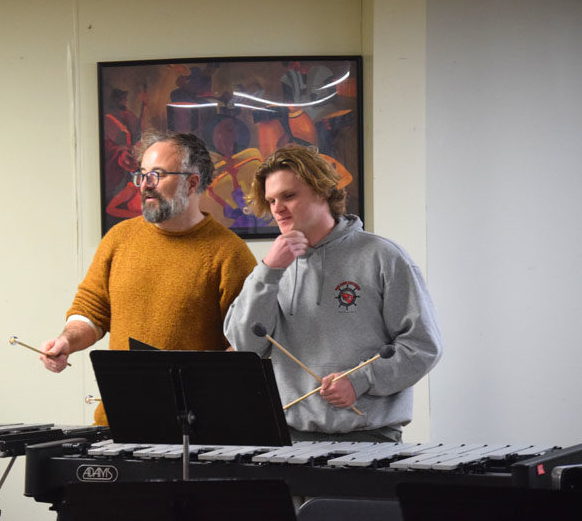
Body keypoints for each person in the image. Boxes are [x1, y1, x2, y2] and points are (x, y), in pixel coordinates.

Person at [224, 145, 442, 443]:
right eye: (272, 200)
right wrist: (268, 272)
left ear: (322, 191)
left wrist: (362, 380)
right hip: (288, 438)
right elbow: (245, 346)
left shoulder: (383, 256)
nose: (277, 208)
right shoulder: (271, 267)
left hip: (371, 438)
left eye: (289, 196)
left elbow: (423, 345)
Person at [41, 131, 257, 426]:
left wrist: (198, 390)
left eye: (156, 175)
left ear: (191, 182)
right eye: (141, 175)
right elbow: (91, 312)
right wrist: (67, 341)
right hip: (116, 421)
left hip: (195, 429)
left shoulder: (230, 253)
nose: (145, 186)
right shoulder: (119, 238)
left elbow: (245, 343)